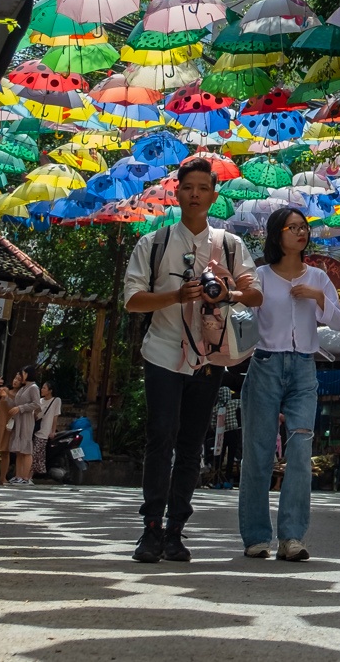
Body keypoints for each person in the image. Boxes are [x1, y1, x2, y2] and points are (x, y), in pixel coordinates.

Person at [122, 156, 261, 564]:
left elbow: (255, 295)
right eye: (188, 188)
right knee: (160, 435)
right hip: (163, 350)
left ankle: (177, 530)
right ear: (176, 193)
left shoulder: (230, 246)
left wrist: (227, 293)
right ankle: (150, 529)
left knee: (191, 443)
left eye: (203, 188)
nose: (195, 195)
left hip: (210, 355)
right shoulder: (155, 243)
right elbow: (132, 300)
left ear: (213, 196)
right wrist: (176, 296)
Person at [240, 205, 340, 563]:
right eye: (291, 227)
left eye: (303, 228)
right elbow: (243, 315)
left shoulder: (317, 277)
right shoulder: (262, 276)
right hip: (266, 364)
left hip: (303, 369)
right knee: (259, 451)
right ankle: (255, 536)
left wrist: (318, 297)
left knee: (300, 451)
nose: (300, 233)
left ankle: (292, 537)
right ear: (277, 234)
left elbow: (339, 321)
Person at [7, 367, 40, 484]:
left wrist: (21, 408)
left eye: (24, 373)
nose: (22, 376)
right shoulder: (23, 388)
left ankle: (26, 477)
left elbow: (36, 404)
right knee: (19, 450)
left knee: (26, 449)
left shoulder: (33, 388)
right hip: (18, 420)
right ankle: (18, 475)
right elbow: (16, 403)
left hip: (26, 420)